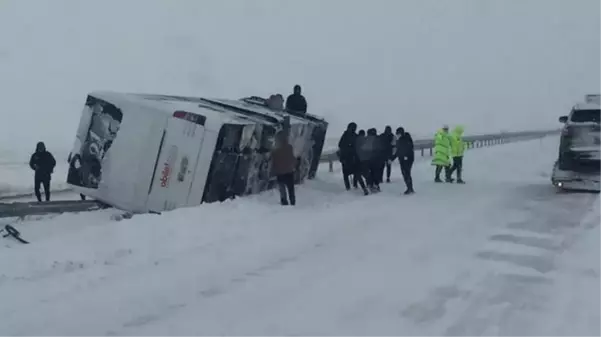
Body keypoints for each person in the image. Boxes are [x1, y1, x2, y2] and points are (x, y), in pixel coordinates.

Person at [338, 123, 368, 194]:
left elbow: (340, 145)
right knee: (357, 173)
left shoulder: (345, 135)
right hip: (354, 158)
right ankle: (363, 188)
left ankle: (348, 189)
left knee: (345, 174)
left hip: (345, 158)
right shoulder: (355, 136)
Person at [271, 131, 297, 205]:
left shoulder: (275, 150)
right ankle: (292, 201)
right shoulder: (290, 147)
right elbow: (292, 158)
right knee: (291, 188)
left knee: (282, 188)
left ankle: (284, 201)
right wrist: (294, 165)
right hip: (289, 171)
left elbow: (274, 161)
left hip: (280, 172)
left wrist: (273, 171)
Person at [396, 127, 415, 194]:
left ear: (401, 133)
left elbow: (410, 147)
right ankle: (409, 187)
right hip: (402, 159)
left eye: (398, 134)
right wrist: (392, 158)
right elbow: (397, 151)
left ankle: (410, 188)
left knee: (406, 173)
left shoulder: (407, 138)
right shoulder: (398, 140)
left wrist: (406, 156)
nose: (397, 135)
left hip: (408, 159)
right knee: (405, 173)